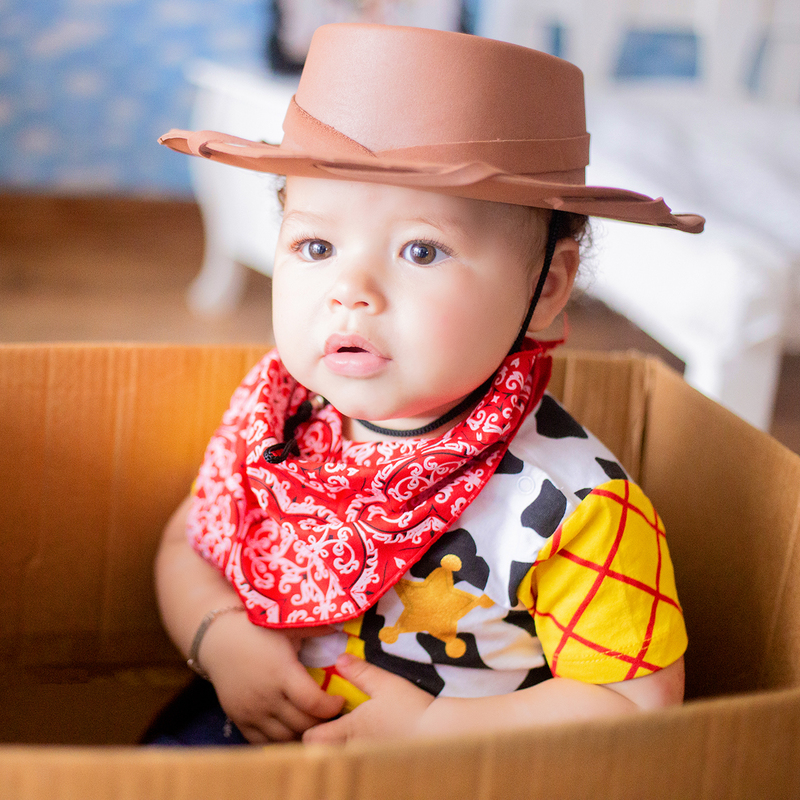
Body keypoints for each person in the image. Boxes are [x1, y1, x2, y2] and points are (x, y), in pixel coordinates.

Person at [150, 23, 701, 746]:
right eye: (315, 245)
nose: (352, 290)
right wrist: (220, 639)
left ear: (546, 288)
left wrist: (437, 728)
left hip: (459, 763)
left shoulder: (575, 508)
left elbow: (638, 702)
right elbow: (188, 541)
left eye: (421, 249)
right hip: (256, 705)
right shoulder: (277, 419)